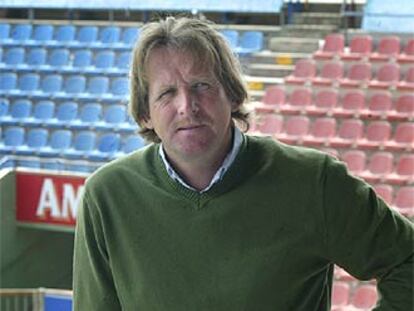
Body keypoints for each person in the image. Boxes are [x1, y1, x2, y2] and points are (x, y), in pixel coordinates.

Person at [73, 16, 414, 310]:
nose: (187, 105)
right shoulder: (106, 196)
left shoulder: (315, 182)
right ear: (145, 113)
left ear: (233, 94)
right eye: (166, 93)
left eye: (201, 85)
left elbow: (406, 261)